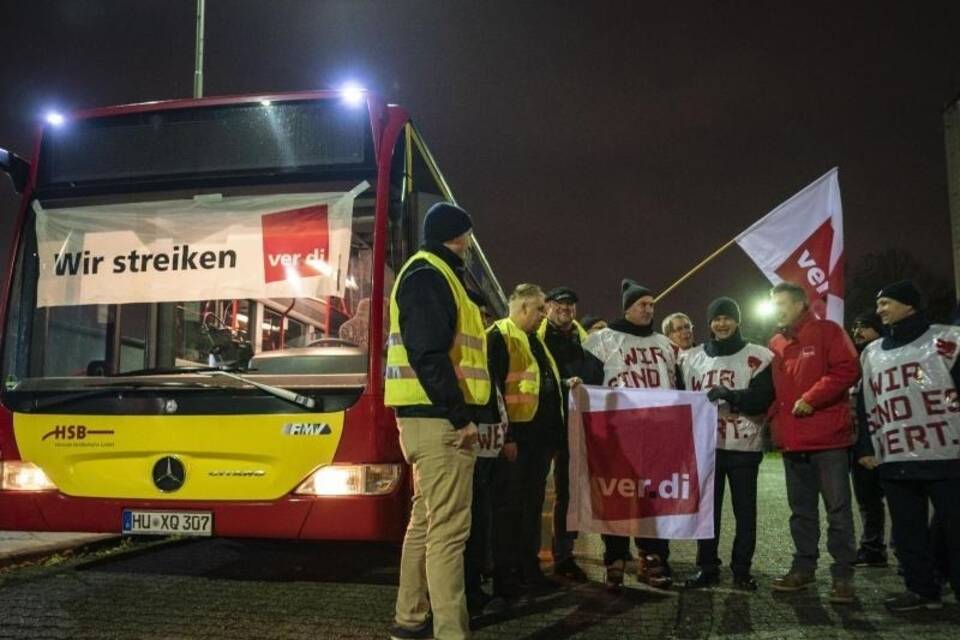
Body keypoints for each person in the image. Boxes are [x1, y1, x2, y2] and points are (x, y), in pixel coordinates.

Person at [386, 202, 490, 640]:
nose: (469, 243)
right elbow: (428, 352)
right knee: (449, 532)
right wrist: (460, 416)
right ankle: (451, 633)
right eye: (467, 235)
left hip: (422, 419)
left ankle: (409, 619)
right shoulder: (431, 274)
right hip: (440, 421)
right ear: (458, 235)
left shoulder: (424, 272)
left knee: (426, 522)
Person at [855, 280, 960, 611]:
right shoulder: (872, 353)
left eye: (887, 302)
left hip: (945, 453)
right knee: (907, 530)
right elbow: (866, 403)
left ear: (909, 305)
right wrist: (866, 446)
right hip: (895, 454)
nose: (880, 309)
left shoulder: (946, 340)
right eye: (879, 303)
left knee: (955, 530)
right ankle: (921, 589)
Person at [582, 279, 680, 591]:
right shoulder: (602, 340)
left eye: (652, 304)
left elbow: (675, 385)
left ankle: (652, 556)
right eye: (642, 304)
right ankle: (615, 555)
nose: (649, 309)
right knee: (618, 494)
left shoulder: (664, 344)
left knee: (652, 497)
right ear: (627, 307)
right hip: (618, 434)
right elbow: (589, 383)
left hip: (656, 434)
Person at [767, 282, 860, 604]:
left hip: (828, 440)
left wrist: (811, 398)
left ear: (799, 304)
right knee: (801, 512)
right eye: (773, 304)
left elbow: (848, 368)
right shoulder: (776, 343)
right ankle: (803, 568)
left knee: (838, 510)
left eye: (781, 303)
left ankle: (843, 575)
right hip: (794, 442)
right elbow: (776, 393)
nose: (776, 309)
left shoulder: (827, 331)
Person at [679, 297, 774, 592]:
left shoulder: (759, 355)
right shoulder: (690, 357)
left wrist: (731, 395)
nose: (722, 324)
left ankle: (742, 569)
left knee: (745, 512)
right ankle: (707, 567)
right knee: (706, 513)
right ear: (709, 323)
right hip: (706, 447)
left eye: (727, 318)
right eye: (716, 319)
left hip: (744, 445)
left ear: (737, 321)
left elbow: (762, 398)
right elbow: (682, 399)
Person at [487, 284, 568, 591]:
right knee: (508, 508)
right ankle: (505, 576)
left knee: (531, 507)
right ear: (522, 308)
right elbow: (493, 391)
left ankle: (528, 568)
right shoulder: (499, 336)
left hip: (538, 440)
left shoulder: (534, 339)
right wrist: (506, 436)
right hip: (516, 440)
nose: (543, 316)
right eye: (539, 310)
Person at [537, 286, 591, 582]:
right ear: (547, 307)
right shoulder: (538, 337)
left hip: (574, 424)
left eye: (570, 305)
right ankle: (526, 557)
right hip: (545, 425)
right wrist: (561, 384)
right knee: (533, 494)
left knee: (569, 494)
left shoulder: (585, 340)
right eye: (559, 304)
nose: (566, 309)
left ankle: (564, 555)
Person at [848, 311, 890, 568]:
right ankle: (873, 547)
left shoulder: (887, 357)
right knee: (867, 498)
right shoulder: (854, 362)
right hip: (859, 441)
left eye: (864, 327)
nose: (857, 332)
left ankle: (908, 551)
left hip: (889, 440)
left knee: (900, 499)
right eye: (854, 328)